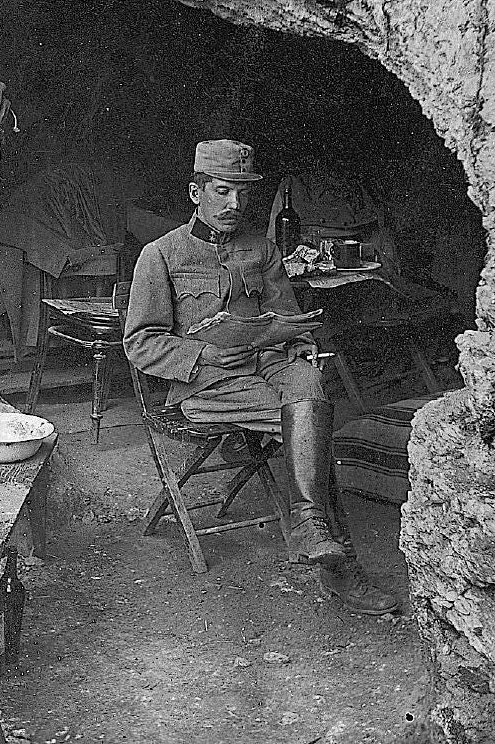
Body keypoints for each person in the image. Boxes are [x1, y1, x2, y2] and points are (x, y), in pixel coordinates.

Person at [123, 139, 399, 615]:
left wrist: (298, 342)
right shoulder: (161, 255)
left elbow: (284, 317)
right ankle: (342, 571)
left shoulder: (261, 249)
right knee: (310, 427)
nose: (234, 205)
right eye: (222, 192)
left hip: (267, 367)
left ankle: (311, 525)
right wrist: (202, 352)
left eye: (243, 194)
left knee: (309, 387)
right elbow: (140, 342)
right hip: (207, 384)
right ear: (196, 192)